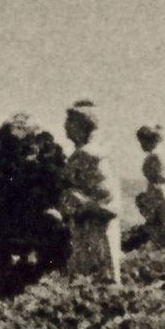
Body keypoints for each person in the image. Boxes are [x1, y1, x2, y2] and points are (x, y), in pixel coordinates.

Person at [58, 100, 121, 283]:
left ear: (80, 125)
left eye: (69, 122)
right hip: (95, 219)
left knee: (92, 275)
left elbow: (103, 192)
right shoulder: (100, 152)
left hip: (92, 221)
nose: (65, 127)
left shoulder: (84, 154)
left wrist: (79, 202)